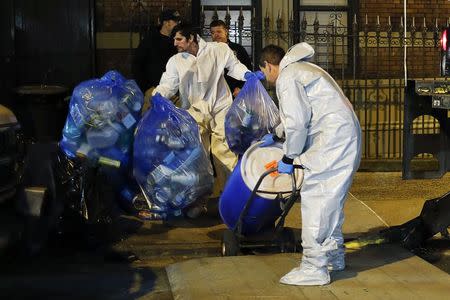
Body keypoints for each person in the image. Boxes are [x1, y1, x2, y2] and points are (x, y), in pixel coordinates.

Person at [258, 43, 361, 286]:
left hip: (332, 143)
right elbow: (306, 114)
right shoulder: (305, 69)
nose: (266, 79)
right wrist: (278, 135)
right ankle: (334, 258)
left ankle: (314, 267)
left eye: (264, 73)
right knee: (331, 202)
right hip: (343, 138)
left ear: (269, 66)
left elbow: (298, 122)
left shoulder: (287, 78)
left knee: (318, 200)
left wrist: (287, 157)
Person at [153, 23, 261, 217]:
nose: (175, 43)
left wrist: (246, 74)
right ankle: (199, 201)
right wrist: (159, 94)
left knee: (225, 154)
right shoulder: (176, 61)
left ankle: (232, 200)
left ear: (192, 38)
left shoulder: (218, 50)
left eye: (179, 39)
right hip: (194, 111)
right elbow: (168, 83)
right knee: (197, 157)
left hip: (221, 108)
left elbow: (233, 66)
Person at [132, 9, 180, 96]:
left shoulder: (177, 41)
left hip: (174, 92)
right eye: (176, 21)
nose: (178, 24)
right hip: (153, 91)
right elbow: (137, 66)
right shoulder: (149, 40)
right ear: (166, 23)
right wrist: (146, 89)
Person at [209, 20, 253, 98]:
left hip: (234, 93)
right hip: (214, 94)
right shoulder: (208, 51)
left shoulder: (238, 49)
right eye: (213, 33)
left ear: (226, 31)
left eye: (219, 31)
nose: (216, 35)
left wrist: (241, 88)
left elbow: (247, 68)